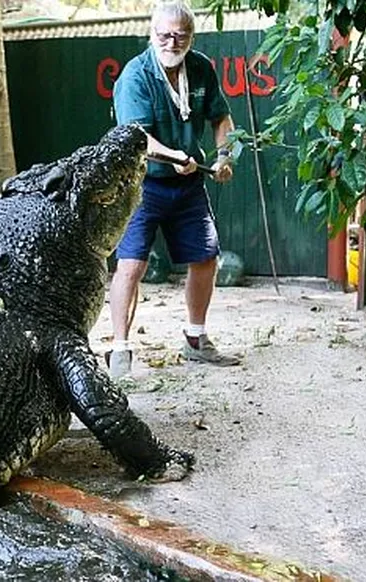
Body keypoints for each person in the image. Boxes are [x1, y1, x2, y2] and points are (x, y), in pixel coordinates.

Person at [107, 0, 240, 377]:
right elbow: (137, 138)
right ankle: (120, 350)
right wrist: (174, 156)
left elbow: (221, 117)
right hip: (142, 184)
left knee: (206, 257)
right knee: (131, 265)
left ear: (191, 37)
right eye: (164, 35)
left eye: (180, 36)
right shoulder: (136, 76)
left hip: (190, 182)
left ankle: (196, 339)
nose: (171, 42)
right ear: (152, 34)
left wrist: (225, 155)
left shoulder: (200, 67)